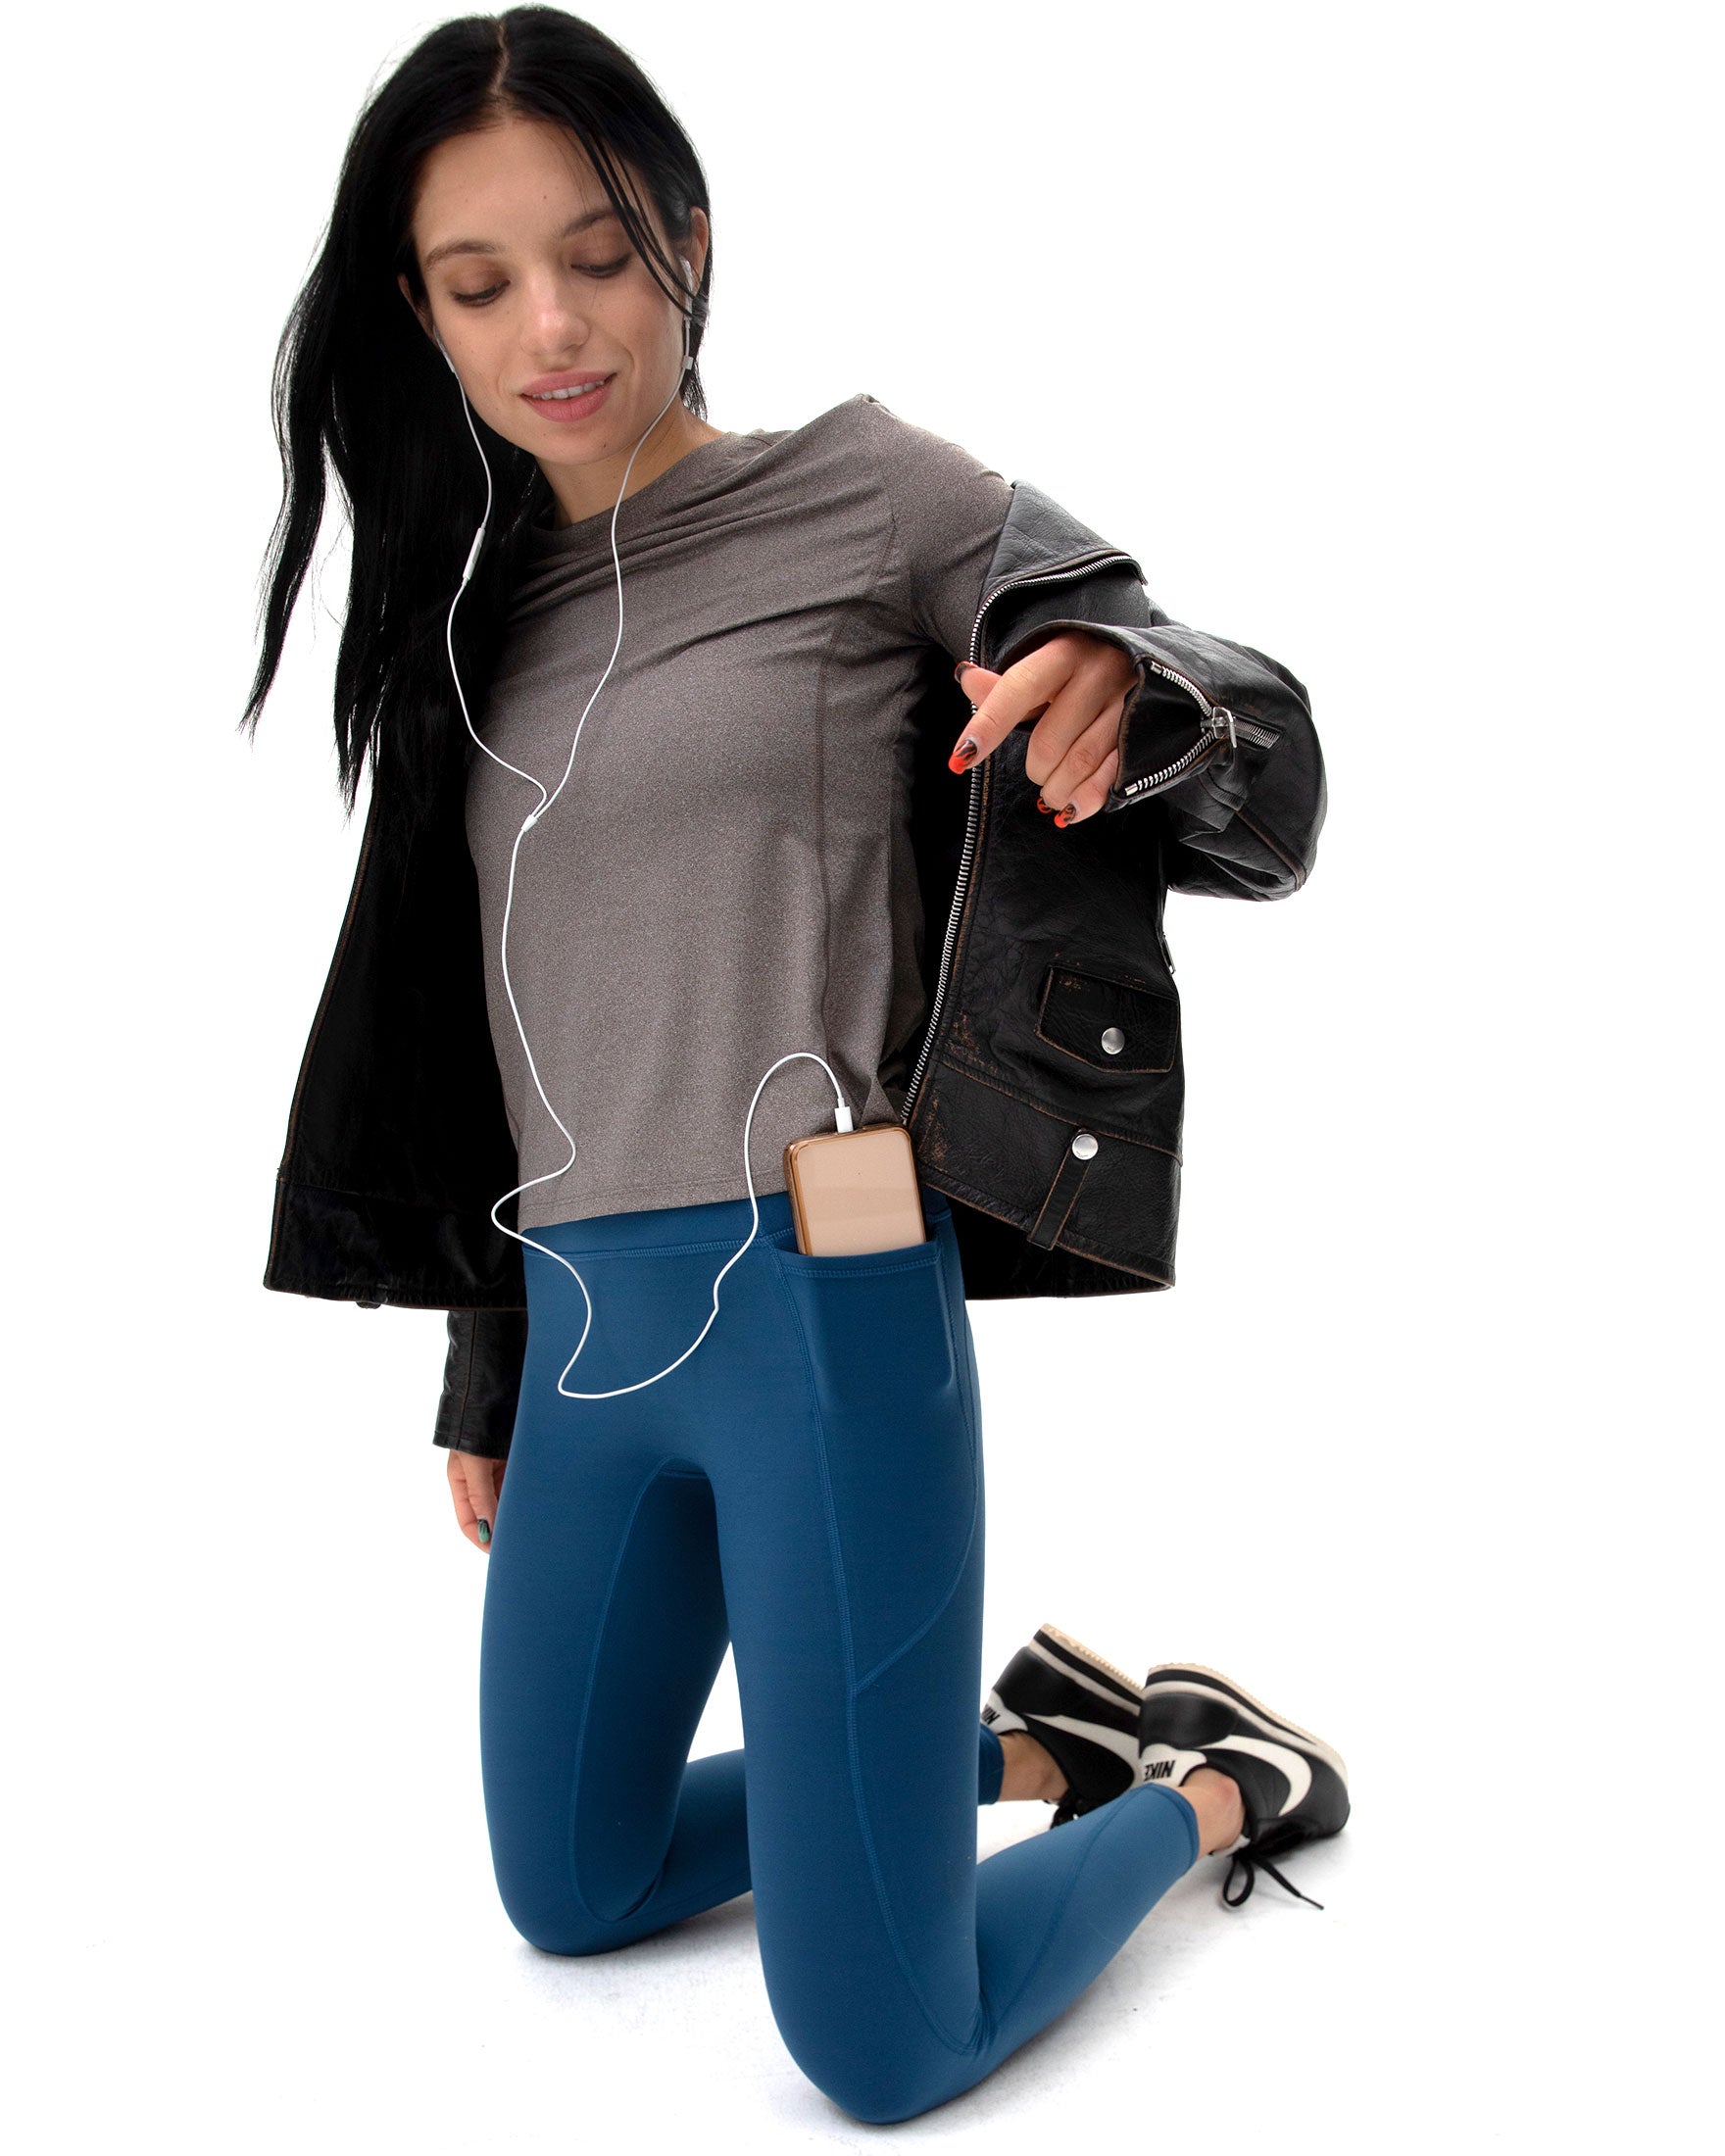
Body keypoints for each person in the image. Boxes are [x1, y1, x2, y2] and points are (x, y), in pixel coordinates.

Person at [243, 6, 1343, 2125]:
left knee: (882, 2044)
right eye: (480, 283)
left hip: (822, 1308)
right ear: (421, 313)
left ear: (686, 235)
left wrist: (1125, 676)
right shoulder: (471, 619)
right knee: (570, 1888)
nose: (553, 325)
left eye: (596, 255)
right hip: (582, 1341)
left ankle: (1209, 1781)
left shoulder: (865, 491)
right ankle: (1019, 1745)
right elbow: (499, 1026)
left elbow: (1249, 744)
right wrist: (482, 1358)